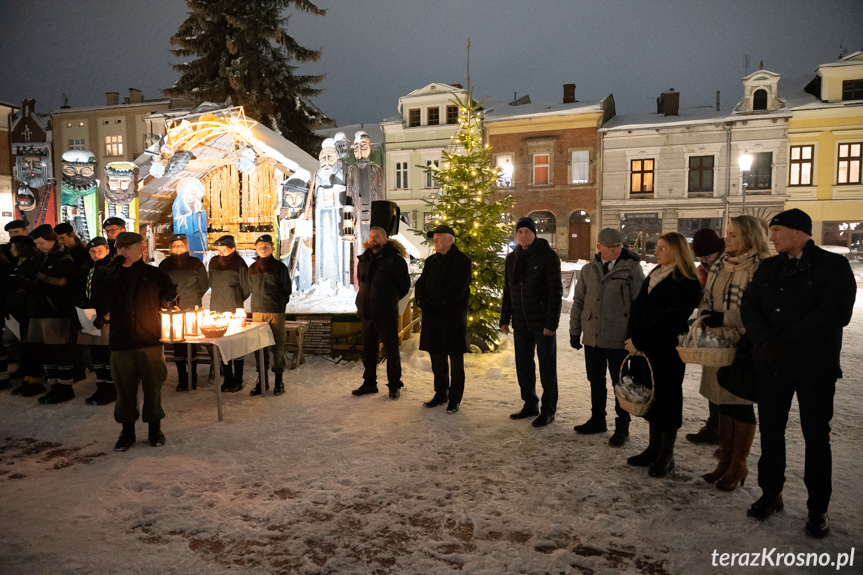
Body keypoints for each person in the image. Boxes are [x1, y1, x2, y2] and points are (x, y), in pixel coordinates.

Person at [741, 209, 856, 538]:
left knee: (816, 437)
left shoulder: (833, 266)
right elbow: (750, 304)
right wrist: (764, 341)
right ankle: (770, 493)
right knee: (771, 432)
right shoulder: (769, 266)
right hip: (771, 365)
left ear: (799, 232)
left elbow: (835, 313)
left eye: (776, 230)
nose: (771, 237)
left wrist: (785, 343)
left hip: (814, 368)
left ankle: (818, 507)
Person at [697, 215, 770, 491]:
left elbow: (758, 310)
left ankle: (739, 463)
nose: (726, 239)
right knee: (722, 399)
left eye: (733, 235)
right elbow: (707, 297)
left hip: (743, 345)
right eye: (726, 233)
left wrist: (724, 318)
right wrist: (705, 314)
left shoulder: (759, 266)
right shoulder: (719, 265)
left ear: (749, 238)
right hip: (717, 345)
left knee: (740, 401)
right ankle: (724, 460)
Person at [624, 232, 701, 477]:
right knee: (651, 394)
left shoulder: (687, 280)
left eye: (662, 248)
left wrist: (641, 338)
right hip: (644, 347)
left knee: (667, 397)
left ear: (677, 251)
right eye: (656, 247)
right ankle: (653, 448)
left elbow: (672, 317)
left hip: (667, 348)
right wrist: (632, 338)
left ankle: (666, 455)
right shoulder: (655, 273)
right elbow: (638, 308)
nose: (656, 251)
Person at [94, 232, 177, 451]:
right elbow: (98, 303)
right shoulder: (108, 274)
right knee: (124, 390)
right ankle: (127, 431)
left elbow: (172, 298)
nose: (122, 252)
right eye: (119, 248)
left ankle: (154, 428)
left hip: (150, 340)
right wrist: (109, 280)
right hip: (121, 342)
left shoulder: (154, 274)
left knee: (153, 388)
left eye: (127, 248)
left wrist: (172, 298)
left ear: (141, 249)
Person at [570, 228, 644, 446]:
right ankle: (597, 420)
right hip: (592, 336)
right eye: (611, 246)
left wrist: (635, 336)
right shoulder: (587, 270)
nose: (616, 249)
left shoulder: (632, 269)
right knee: (595, 380)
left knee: (620, 383)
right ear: (599, 247)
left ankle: (622, 426)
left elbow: (639, 305)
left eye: (619, 245)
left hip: (618, 337)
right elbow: (579, 303)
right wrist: (575, 332)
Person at [500, 217, 563, 428]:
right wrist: (504, 319)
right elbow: (507, 291)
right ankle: (530, 403)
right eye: (519, 232)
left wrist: (551, 324)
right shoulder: (512, 259)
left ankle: (549, 409)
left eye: (527, 231)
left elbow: (555, 292)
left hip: (542, 322)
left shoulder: (547, 256)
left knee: (547, 367)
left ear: (534, 233)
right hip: (521, 323)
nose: (523, 235)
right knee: (523, 366)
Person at [415, 224, 471, 414]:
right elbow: (421, 284)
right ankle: (440, 394)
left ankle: (454, 398)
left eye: (439, 238)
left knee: (455, 361)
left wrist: (434, 304)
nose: (435, 241)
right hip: (432, 318)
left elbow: (456, 290)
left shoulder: (462, 261)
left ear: (451, 240)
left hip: (452, 319)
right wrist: (422, 300)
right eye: (434, 238)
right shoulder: (431, 261)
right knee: (437, 358)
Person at [352, 226, 410, 399]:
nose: (373, 239)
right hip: (366, 312)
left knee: (391, 352)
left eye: (376, 236)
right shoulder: (364, 259)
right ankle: (369, 383)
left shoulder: (395, 261)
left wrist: (388, 300)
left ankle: (394, 385)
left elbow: (404, 287)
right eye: (370, 236)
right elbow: (361, 283)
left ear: (385, 240)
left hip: (385, 313)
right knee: (369, 352)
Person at [24, 224, 79, 404]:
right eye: (36, 244)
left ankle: (65, 387)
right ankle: (54, 385)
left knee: (59, 350)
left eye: (41, 243)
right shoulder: (42, 257)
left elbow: (62, 282)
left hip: (56, 311)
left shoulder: (64, 258)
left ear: (52, 240)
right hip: (40, 310)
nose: (38, 246)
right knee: (46, 349)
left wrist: (38, 276)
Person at [686, 227, 726, 446]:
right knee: (712, 382)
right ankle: (714, 424)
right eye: (701, 257)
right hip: (710, 329)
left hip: (726, 332)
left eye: (709, 256)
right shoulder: (704, 268)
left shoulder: (728, 265)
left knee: (725, 385)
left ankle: (723, 429)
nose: (705, 260)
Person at [158, 234, 209, 391]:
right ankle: (182, 378)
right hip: (172, 311)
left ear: (187, 247)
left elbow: (204, 285)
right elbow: (160, 286)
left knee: (191, 344)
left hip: (191, 309)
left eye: (181, 244)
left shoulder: (196, 264)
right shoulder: (165, 265)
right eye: (174, 245)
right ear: (170, 247)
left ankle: (192, 377)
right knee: (177, 344)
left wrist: (192, 299)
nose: (178, 247)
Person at [248, 234, 292, 396]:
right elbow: (249, 288)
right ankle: (262, 380)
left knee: (277, 346)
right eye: (260, 247)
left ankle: (279, 380)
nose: (263, 249)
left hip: (275, 312)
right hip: (258, 312)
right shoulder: (252, 268)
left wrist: (279, 304)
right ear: (256, 248)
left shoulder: (280, 268)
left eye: (266, 246)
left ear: (272, 248)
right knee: (259, 347)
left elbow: (287, 289)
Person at [77, 236, 117, 405]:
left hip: (105, 318)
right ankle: (101, 385)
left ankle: (111, 387)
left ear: (108, 250)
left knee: (107, 353)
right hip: (90, 316)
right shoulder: (91, 268)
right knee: (96, 354)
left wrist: (103, 315)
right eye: (92, 251)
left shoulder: (111, 268)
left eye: (100, 250)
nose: (96, 253)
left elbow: (112, 295)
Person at [209, 235, 251, 392]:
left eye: (224, 250)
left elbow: (246, 287)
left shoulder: (239, 264)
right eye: (218, 250)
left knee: (235, 344)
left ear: (233, 249)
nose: (220, 252)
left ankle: (237, 379)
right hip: (216, 308)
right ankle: (227, 378)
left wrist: (236, 298)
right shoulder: (213, 262)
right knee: (222, 345)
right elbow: (211, 281)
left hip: (234, 309)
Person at [3, 234, 41, 393]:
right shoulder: (16, 262)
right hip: (16, 309)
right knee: (23, 347)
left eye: (13, 247)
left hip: (27, 309)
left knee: (31, 346)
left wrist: (19, 281)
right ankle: (27, 379)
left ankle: (36, 380)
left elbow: (34, 284)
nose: (11, 250)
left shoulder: (32, 262)